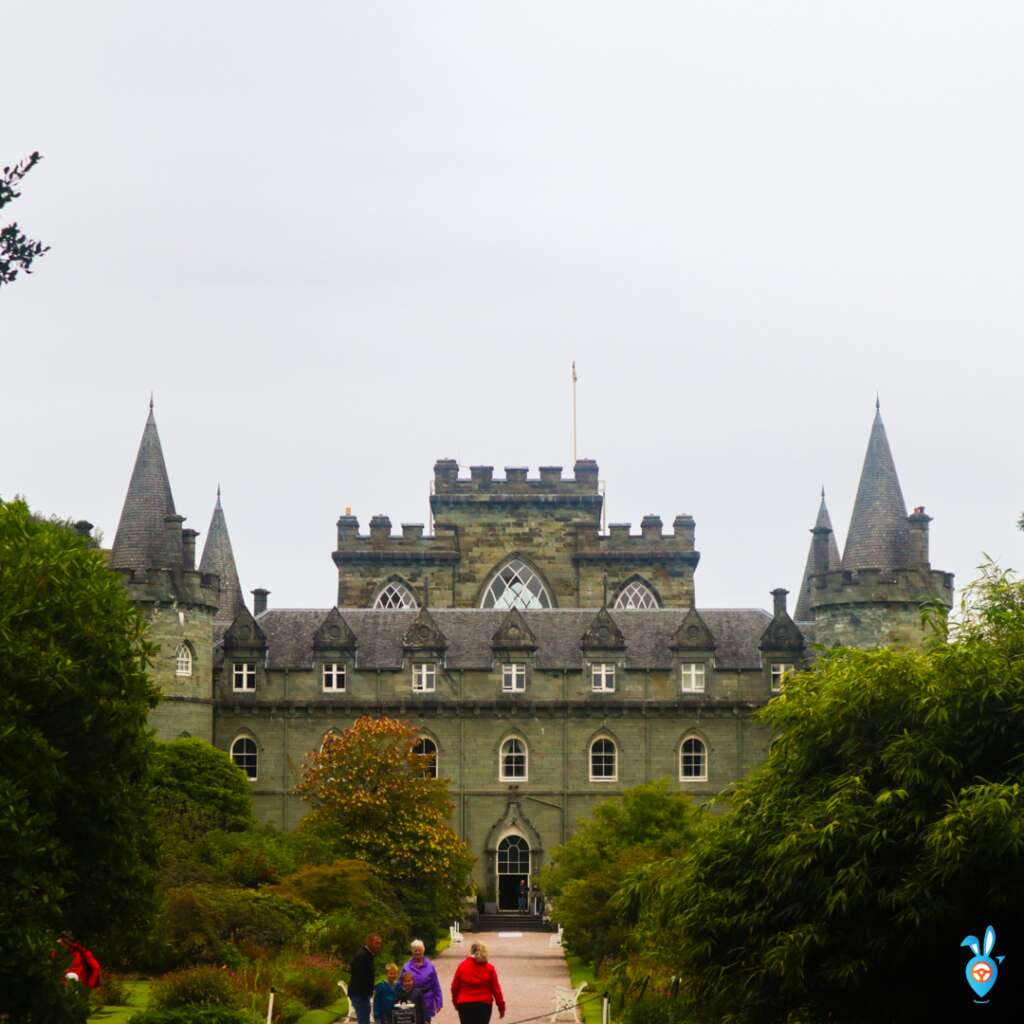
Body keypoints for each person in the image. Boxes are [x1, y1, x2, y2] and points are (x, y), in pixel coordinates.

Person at [451, 941, 506, 1024]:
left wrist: (456, 1003)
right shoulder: (489, 968)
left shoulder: (462, 966)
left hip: (464, 1004)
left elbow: (454, 987)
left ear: (471, 951)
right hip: (484, 1005)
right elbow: (496, 990)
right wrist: (501, 1008)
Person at [402, 939, 443, 1023]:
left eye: (419, 950)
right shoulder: (406, 967)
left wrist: (439, 1002)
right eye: (415, 950)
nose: (417, 952)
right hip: (411, 1000)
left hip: (427, 1000)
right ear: (412, 952)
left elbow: (436, 985)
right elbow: (400, 985)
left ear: (423, 951)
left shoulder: (430, 966)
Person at [348, 932, 382, 1024]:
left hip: (363, 995)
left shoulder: (368, 955)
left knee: (364, 1019)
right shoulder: (362, 956)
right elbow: (358, 977)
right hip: (359, 995)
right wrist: (365, 995)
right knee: (364, 1020)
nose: (379, 946)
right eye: (377, 943)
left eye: (380, 943)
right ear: (369, 942)